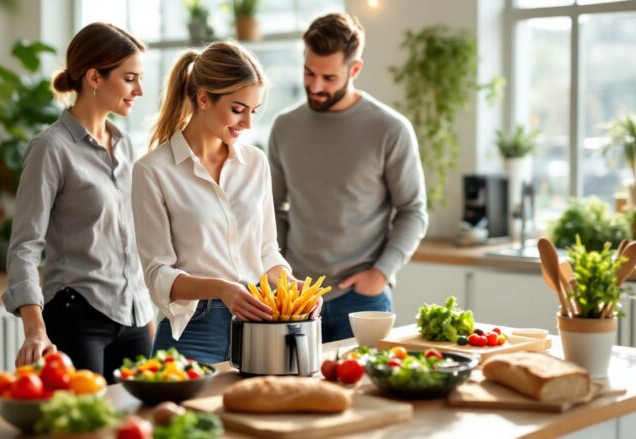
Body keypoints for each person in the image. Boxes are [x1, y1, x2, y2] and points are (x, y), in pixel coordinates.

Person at [132, 41, 314, 364]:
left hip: (261, 325)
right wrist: (222, 289)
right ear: (203, 98)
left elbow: (266, 251)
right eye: (237, 109)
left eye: (254, 111)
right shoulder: (152, 171)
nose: (247, 124)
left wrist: (295, 287)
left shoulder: (255, 163)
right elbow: (158, 274)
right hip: (194, 332)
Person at [3, 22, 154, 382]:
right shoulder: (50, 148)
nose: (140, 90)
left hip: (132, 318)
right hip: (77, 318)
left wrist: (145, 314)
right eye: (130, 78)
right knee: (86, 427)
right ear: (94, 78)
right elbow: (25, 246)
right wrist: (34, 330)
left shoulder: (125, 145)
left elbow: (131, 236)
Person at [268, 12, 429, 343]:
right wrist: (279, 272)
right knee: (295, 392)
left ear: (354, 70)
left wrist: (382, 272)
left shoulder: (389, 129)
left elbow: (413, 210)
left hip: (362, 297)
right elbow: (272, 209)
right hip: (295, 296)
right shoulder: (285, 127)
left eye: (328, 77)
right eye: (309, 73)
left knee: (364, 391)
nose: (315, 86)